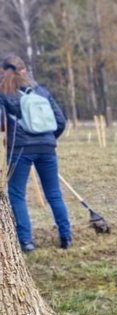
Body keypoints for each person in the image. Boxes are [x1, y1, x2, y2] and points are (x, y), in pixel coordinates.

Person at [0, 55, 73, 252]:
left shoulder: (4, 92)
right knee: (54, 194)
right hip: (47, 148)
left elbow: (0, 123)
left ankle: (26, 242)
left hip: (20, 149)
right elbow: (61, 122)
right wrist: (48, 140)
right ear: (24, 70)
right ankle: (66, 237)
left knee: (17, 195)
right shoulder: (41, 91)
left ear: (5, 70)